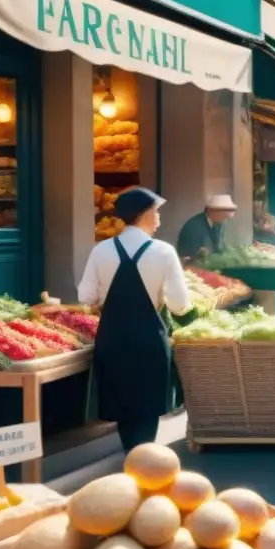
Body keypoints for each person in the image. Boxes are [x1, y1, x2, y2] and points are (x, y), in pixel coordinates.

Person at [78, 188, 192, 452]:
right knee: (146, 408)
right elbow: (181, 305)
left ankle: (131, 454)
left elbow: (86, 295)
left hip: (113, 339)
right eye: (157, 212)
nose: (159, 219)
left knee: (123, 406)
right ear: (146, 214)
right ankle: (143, 460)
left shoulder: (101, 250)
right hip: (149, 341)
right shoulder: (163, 252)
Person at [176, 194, 236, 261]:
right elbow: (191, 254)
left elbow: (219, 246)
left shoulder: (219, 223)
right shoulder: (194, 226)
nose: (225, 220)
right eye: (224, 217)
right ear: (213, 211)